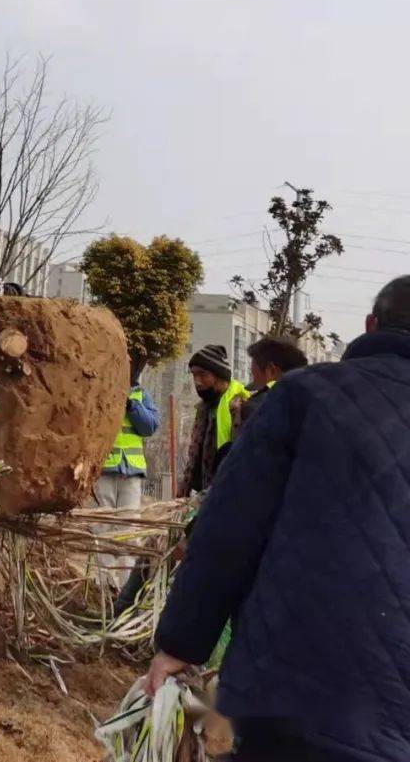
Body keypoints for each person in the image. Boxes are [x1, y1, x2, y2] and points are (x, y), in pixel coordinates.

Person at [145, 276, 410, 762]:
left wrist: (180, 643)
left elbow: (231, 526)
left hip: (287, 686)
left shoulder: (305, 396)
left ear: (371, 324)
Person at [94, 349, 159, 588]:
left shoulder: (140, 396)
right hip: (104, 470)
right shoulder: (101, 391)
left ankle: (125, 588)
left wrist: (130, 403)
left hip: (131, 472)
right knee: (103, 527)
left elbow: (149, 426)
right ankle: (104, 586)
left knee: (129, 528)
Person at [179, 343, 249, 495]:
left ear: (219, 376)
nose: (197, 382)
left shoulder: (241, 406)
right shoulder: (204, 408)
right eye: (194, 375)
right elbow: (194, 457)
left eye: (203, 375)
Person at [235, 334, 308, 432]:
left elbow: (244, 446)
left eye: (253, 370)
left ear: (271, 370)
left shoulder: (257, 409)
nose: (252, 375)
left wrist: (237, 421)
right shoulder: (314, 407)